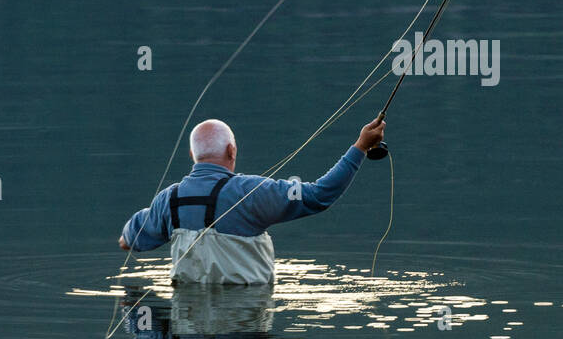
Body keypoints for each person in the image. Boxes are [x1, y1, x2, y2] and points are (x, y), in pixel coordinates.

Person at [119, 117, 385, 284]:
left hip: (190, 337)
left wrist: (136, 231)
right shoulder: (253, 192)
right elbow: (319, 195)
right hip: (247, 329)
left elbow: (128, 241)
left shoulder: (168, 200)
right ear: (231, 150)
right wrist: (360, 147)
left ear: (192, 154)